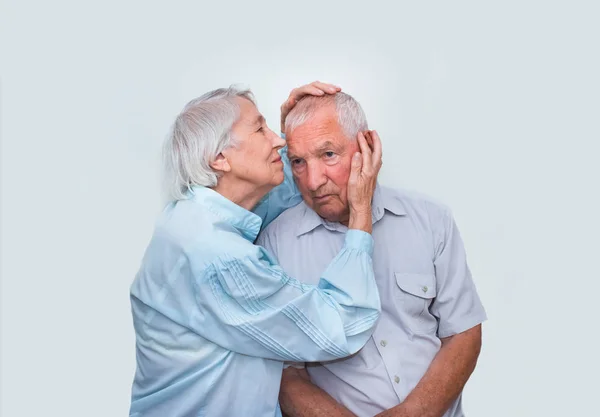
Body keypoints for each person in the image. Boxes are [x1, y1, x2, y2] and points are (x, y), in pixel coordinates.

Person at [129, 82, 383, 417]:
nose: (277, 140)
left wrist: (297, 136)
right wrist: (361, 214)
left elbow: (295, 189)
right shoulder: (218, 255)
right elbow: (342, 324)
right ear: (220, 158)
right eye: (260, 129)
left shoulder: (195, 216)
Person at [257, 89, 487, 417]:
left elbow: (463, 332)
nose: (313, 180)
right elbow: (285, 372)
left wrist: (412, 413)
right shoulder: (275, 245)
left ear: (366, 146)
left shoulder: (431, 219)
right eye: (298, 161)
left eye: (328, 155)